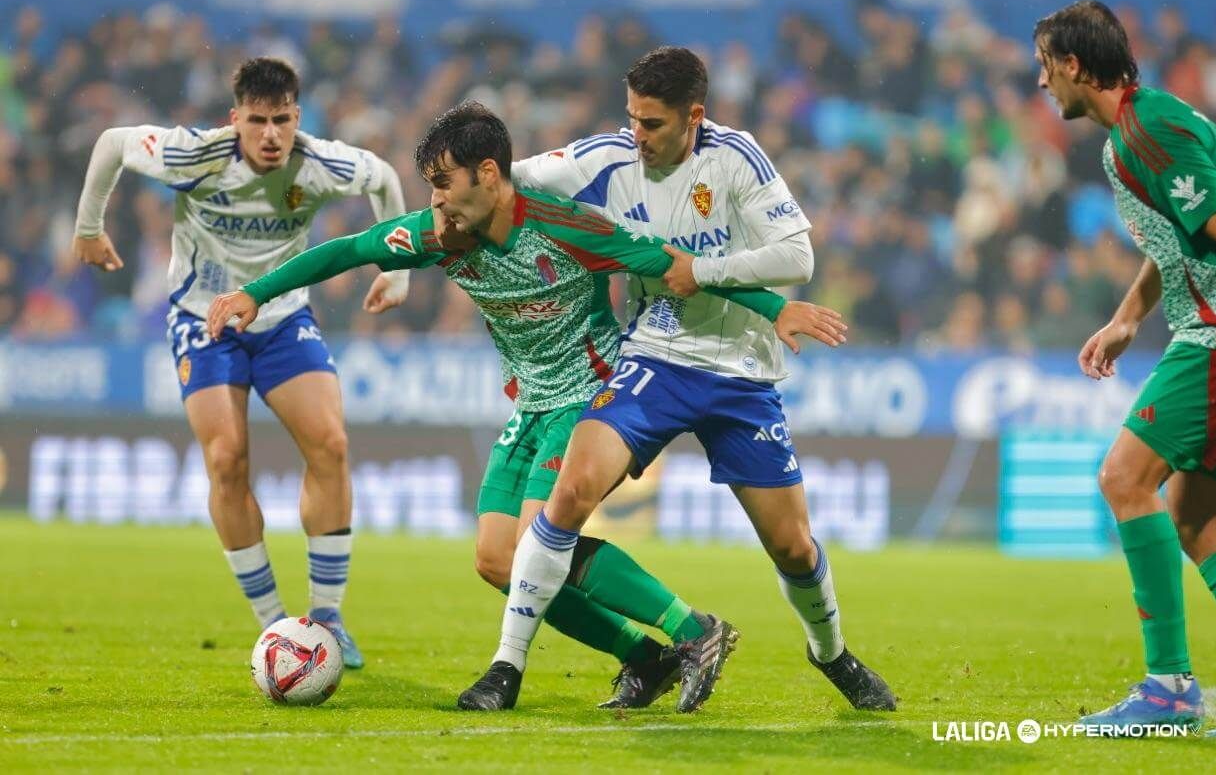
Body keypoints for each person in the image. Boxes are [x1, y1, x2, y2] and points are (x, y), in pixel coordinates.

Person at [208, 100, 847, 711]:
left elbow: (674, 266)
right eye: (428, 185)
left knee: (541, 544)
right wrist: (255, 294)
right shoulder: (437, 234)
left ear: (489, 175)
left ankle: (692, 628)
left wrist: (776, 306)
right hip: (531, 405)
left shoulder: (568, 226)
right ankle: (644, 658)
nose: (434, 201)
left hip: (589, 396)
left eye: (444, 182)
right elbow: (346, 250)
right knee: (494, 561)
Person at [455, 47, 897, 714]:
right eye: (631, 117)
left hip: (740, 371)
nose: (638, 134)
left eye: (653, 123)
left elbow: (797, 256)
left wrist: (705, 272)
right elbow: (499, 176)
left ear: (695, 116)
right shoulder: (603, 159)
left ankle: (831, 652)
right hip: (654, 357)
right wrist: (442, 204)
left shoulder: (737, 158)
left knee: (792, 544)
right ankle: (506, 669)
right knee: (568, 494)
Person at [72, 57, 407, 668]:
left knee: (330, 444)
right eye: (258, 120)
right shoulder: (196, 155)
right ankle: (275, 626)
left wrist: (394, 270)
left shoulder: (321, 164)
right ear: (235, 120)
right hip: (207, 324)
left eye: (282, 119)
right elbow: (114, 142)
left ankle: (327, 615)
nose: (272, 134)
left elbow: (383, 177)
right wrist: (89, 227)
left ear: (298, 117)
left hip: (282, 323)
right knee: (226, 458)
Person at [1036, 0, 1216, 734]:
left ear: (1076, 65)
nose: (1042, 82)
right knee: (1199, 520)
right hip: (1211, 326)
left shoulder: (1148, 131)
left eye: (1046, 67)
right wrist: (1127, 317)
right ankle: (1170, 687)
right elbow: (1179, 237)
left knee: (1124, 478)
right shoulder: (1141, 127)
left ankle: (1169, 689)